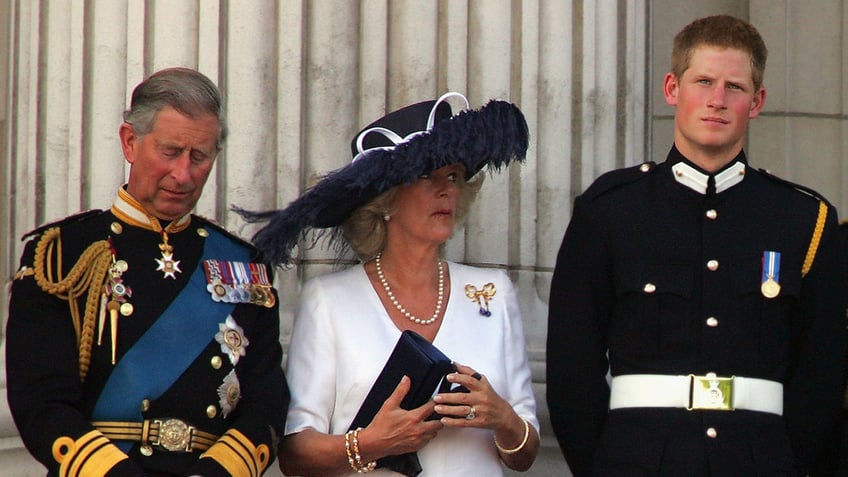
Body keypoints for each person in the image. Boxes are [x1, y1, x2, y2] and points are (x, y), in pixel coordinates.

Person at [546, 14, 847, 477]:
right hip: (635, 461)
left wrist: (788, 465)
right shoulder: (609, 210)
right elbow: (572, 370)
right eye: (703, 81)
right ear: (672, 89)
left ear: (757, 101)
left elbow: (821, 377)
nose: (717, 100)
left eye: (735, 87)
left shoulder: (804, 219)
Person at [6, 67, 289, 477]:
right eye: (170, 152)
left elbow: (266, 400)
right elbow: (41, 401)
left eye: (200, 156)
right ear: (130, 142)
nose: (184, 174)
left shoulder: (243, 265)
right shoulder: (63, 255)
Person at [237, 93, 539, 476]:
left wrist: (503, 418)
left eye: (454, 176)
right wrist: (372, 443)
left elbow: (525, 453)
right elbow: (295, 454)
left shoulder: (493, 293)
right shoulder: (329, 301)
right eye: (429, 175)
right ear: (386, 200)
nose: (447, 189)